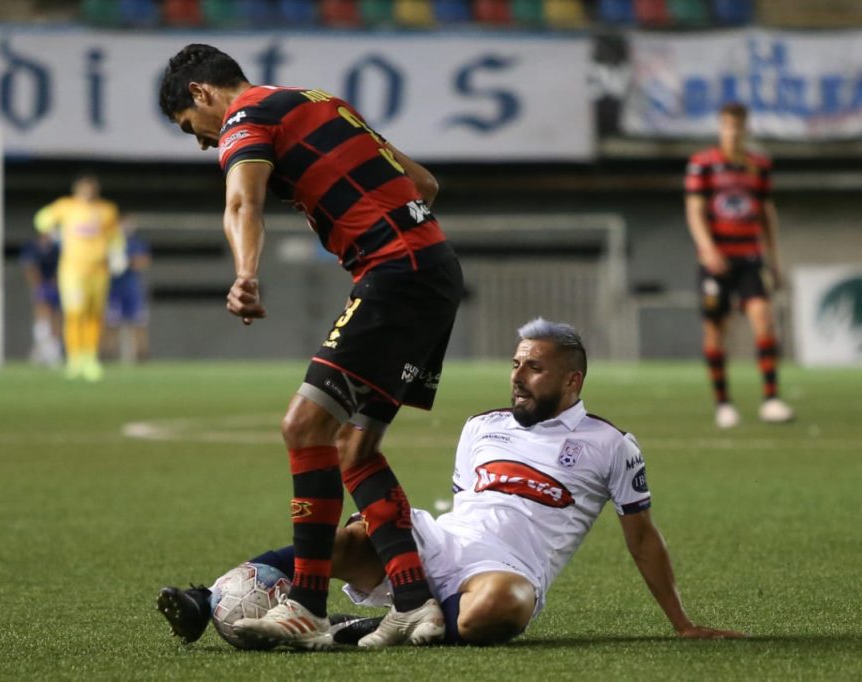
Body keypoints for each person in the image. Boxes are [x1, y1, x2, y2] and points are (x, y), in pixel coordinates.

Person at [157, 319, 745, 648]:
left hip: (504, 571)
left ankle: (357, 627)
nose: (518, 375)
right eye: (516, 363)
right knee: (340, 541)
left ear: (572, 381)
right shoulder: (481, 426)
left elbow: (642, 538)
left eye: (534, 367)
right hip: (439, 542)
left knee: (503, 607)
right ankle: (206, 598)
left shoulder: (611, 444)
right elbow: (466, 505)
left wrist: (683, 624)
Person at [158, 44, 464, 649]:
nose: (203, 144)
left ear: (200, 93)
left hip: (394, 274)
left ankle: (305, 605)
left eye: (193, 129)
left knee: (304, 427)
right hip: (433, 271)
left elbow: (242, 201)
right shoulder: (318, 100)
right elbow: (424, 183)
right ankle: (412, 603)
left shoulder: (246, 117)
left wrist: (246, 274)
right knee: (354, 447)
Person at [685, 102, 794, 429]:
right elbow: (695, 210)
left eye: (737, 127)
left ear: (746, 129)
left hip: (749, 258)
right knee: (716, 329)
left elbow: (766, 214)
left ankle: (771, 399)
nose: (732, 132)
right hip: (716, 261)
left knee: (764, 319)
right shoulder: (703, 164)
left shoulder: (758, 165)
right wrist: (708, 249)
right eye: (727, 126)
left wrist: (774, 259)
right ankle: (723, 404)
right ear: (720, 128)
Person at [34, 174, 122, 382]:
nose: (87, 192)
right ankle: (74, 358)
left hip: (99, 269)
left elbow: (115, 235)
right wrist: (49, 226)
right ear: (77, 190)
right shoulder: (66, 207)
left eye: (91, 188)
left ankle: (89, 357)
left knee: (94, 314)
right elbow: (41, 220)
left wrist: (118, 254)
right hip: (72, 270)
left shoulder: (107, 210)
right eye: (84, 188)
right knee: (74, 313)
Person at [103, 216, 152, 363]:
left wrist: (126, 262)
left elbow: (144, 261)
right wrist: (112, 264)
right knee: (111, 324)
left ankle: (142, 356)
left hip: (132, 289)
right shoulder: (109, 241)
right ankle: (107, 356)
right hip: (114, 290)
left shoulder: (136, 242)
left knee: (139, 323)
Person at [19, 233, 63, 367]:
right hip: (41, 285)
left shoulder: (57, 248)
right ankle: (42, 349)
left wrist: (55, 283)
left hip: (55, 285)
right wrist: (37, 286)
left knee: (56, 317)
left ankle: (54, 352)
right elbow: (29, 269)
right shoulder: (32, 248)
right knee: (42, 316)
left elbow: (61, 267)